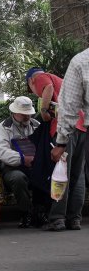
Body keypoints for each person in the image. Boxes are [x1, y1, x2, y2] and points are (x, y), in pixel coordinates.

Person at [49, 48, 88, 231]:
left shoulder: (81, 61)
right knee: (78, 174)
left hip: (74, 128)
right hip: (83, 128)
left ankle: (58, 218)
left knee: (62, 171)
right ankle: (75, 218)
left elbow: (69, 104)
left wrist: (61, 142)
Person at [0, 96, 40, 228]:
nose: (27, 117)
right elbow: (2, 151)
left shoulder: (37, 125)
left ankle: (42, 210)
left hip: (35, 165)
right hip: (12, 168)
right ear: (14, 113)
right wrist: (22, 159)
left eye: (29, 114)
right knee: (18, 178)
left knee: (47, 174)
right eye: (23, 114)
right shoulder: (3, 128)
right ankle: (26, 212)